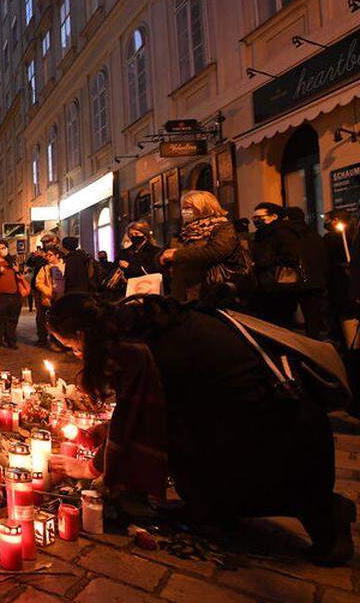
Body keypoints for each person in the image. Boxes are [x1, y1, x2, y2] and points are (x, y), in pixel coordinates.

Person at [48, 294, 354, 566]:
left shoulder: (135, 347)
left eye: (72, 348)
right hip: (249, 411)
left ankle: (327, 517)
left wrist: (90, 467)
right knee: (194, 459)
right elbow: (146, 409)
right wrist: (106, 430)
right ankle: (212, 511)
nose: (76, 355)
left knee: (239, 472)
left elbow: (138, 419)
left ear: (82, 334)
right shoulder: (140, 322)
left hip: (273, 424)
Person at [158, 190, 240, 304]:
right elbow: (164, 253)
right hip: (181, 292)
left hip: (207, 291)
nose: (184, 212)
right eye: (183, 208)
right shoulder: (184, 231)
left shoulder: (222, 228)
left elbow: (216, 251)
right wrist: (161, 257)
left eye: (188, 208)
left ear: (204, 207)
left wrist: (176, 254)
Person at [250, 202, 303, 327]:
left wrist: (261, 263)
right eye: (254, 218)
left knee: (280, 323)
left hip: (279, 286)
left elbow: (291, 257)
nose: (256, 220)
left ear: (274, 216)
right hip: (266, 284)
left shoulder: (282, 232)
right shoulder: (262, 234)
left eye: (260, 217)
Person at [286, 206, 330, 339]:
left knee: (288, 315)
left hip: (293, 279)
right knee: (312, 316)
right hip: (314, 280)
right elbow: (322, 257)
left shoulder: (288, 235)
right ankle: (314, 342)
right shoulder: (313, 233)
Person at [324, 210, 358, 346]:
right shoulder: (351, 236)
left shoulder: (332, 238)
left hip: (341, 284)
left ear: (336, 220)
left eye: (327, 219)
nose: (325, 221)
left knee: (344, 313)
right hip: (344, 282)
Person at [33, 245, 65, 347]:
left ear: (57, 255)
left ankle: (60, 342)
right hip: (50, 299)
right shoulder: (45, 268)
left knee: (60, 321)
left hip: (63, 298)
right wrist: (49, 292)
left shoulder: (65, 266)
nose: (48, 257)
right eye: (46, 255)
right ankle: (47, 340)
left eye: (50, 255)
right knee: (47, 320)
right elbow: (38, 282)